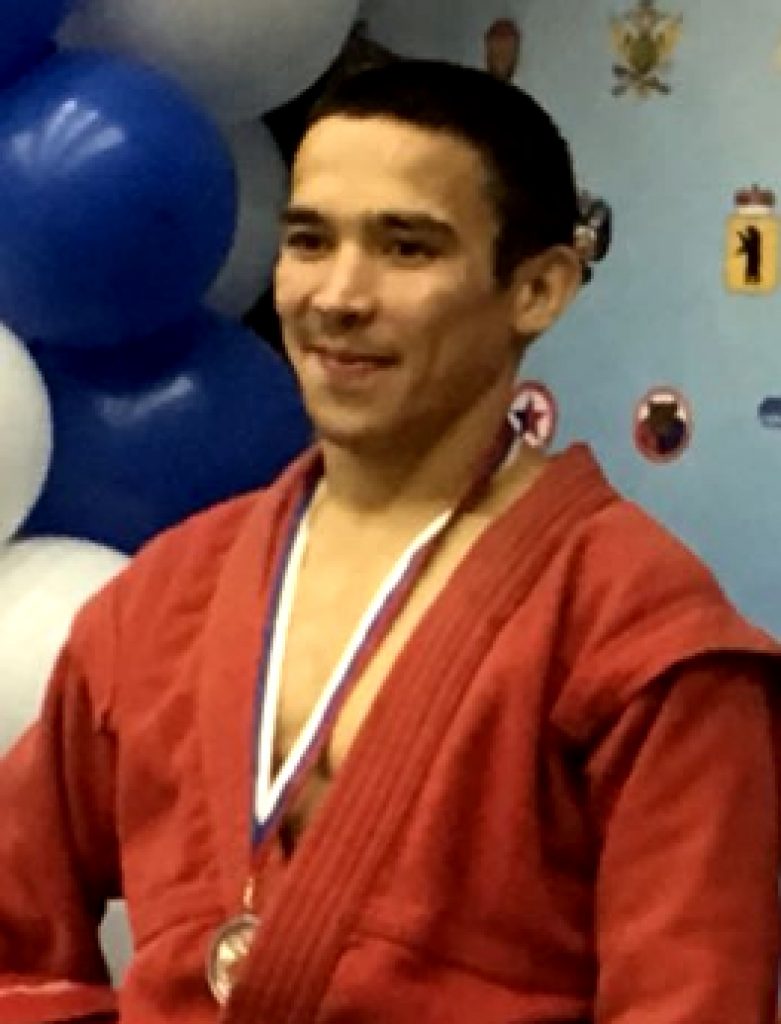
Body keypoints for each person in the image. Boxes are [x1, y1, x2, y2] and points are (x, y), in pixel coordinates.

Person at [1, 59, 779, 1024]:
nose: (336, 294)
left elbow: (691, 1001)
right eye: (308, 241)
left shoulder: (637, 630)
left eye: (405, 248)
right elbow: (14, 936)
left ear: (537, 288)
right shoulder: (165, 594)